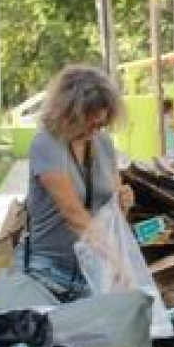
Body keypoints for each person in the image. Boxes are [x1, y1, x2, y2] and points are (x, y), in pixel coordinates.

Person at [20, 64, 134, 302]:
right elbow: (72, 213)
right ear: (68, 113)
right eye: (89, 123)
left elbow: (111, 211)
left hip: (92, 269)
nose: (94, 131)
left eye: (100, 125)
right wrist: (115, 260)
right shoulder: (47, 144)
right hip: (49, 273)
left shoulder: (103, 144)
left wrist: (124, 203)